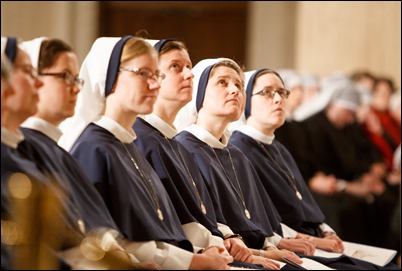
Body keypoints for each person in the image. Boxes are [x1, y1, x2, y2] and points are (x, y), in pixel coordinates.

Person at [60, 35, 233, 270]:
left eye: (156, 75)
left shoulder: (127, 145)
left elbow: (159, 232)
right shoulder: (94, 147)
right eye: (143, 74)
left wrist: (199, 253)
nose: (155, 84)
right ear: (110, 78)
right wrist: (195, 260)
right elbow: (103, 240)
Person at [228, 68, 401, 270]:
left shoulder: (278, 147)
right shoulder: (238, 149)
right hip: (293, 246)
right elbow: (260, 220)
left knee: (389, 267)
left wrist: (326, 230)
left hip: (314, 240)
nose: (278, 99)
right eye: (266, 92)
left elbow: (304, 199)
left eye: (282, 92)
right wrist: (315, 240)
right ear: (246, 99)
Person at [133, 38, 279, 270]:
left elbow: (205, 218)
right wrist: (229, 246)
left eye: (239, 85)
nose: (189, 75)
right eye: (176, 67)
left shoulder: (175, 144)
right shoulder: (148, 140)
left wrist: (228, 241)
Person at [18, 37, 161, 270]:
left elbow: (94, 231)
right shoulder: (27, 148)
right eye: (64, 76)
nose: (76, 88)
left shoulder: (56, 150)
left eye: (76, 79)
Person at [300, 75, 398, 249]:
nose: (351, 119)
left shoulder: (349, 128)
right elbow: (313, 172)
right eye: (349, 113)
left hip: (349, 183)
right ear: (334, 105)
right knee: (348, 210)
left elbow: (361, 158)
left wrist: (368, 174)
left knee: (382, 198)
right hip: (325, 187)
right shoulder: (312, 127)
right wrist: (350, 186)